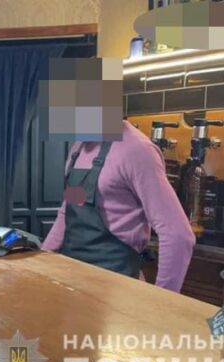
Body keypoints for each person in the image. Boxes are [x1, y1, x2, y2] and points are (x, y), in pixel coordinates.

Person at [42, 120, 195, 293]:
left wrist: (162, 302)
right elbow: (67, 211)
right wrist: (42, 262)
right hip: (72, 282)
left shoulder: (137, 150)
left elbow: (178, 235)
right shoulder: (78, 148)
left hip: (117, 290)